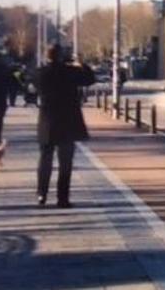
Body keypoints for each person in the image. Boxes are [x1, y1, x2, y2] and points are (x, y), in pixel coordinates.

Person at [36, 44, 95, 208]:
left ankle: (41, 193)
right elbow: (90, 79)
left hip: (47, 120)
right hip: (68, 121)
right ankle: (63, 198)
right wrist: (81, 63)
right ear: (61, 56)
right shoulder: (70, 72)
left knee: (45, 160)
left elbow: (32, 86)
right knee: (65, 163)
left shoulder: (40, 72)